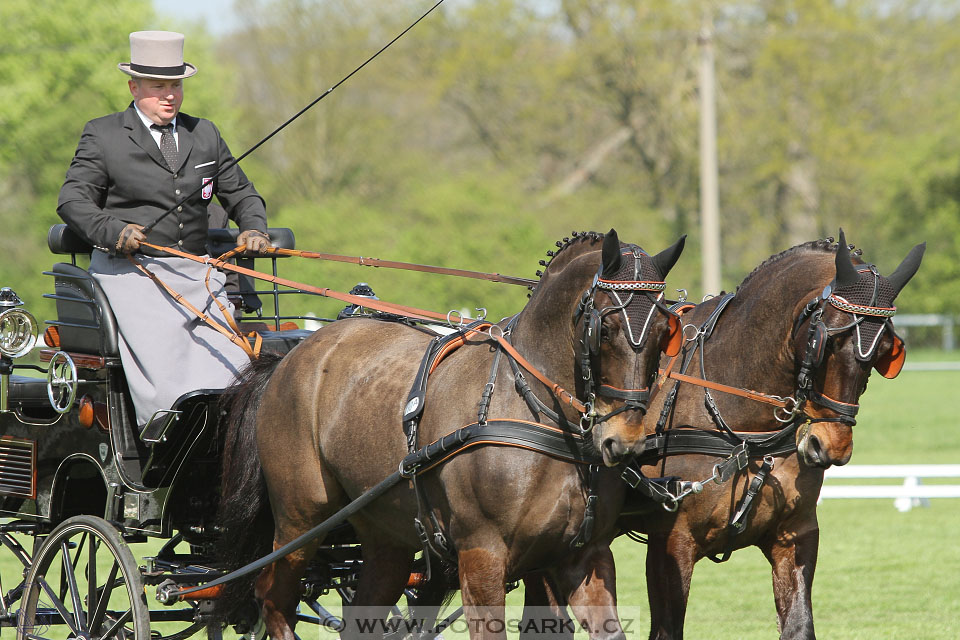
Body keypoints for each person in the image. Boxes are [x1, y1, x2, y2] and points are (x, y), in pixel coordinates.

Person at [58, 30, 270, 427]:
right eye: (158, 87)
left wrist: (254, 228)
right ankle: (165, 439)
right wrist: (113, 230)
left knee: (235, 369)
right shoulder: (103, 135)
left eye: (176, 85)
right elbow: (72, 201)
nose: (169, 95)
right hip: (130, 273)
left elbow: (242, 194)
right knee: (167, 370)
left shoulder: (204, 134)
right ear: (134, 87)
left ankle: (223, 443)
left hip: (198, 272)